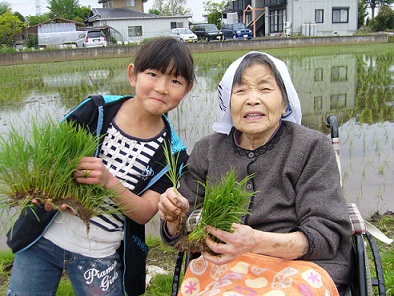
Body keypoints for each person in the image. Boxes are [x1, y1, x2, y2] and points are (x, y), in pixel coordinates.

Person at [6, 37, 194, 296]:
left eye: (175, 81)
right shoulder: (96, 110)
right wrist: (49, 192)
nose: (162, 88)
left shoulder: (173, 153)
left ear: (187, 89)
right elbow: (47, 161)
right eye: (152, 74)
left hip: (99, 253)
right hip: (44, 238)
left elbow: (143, 213)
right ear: (133, 75)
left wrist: (108, 180)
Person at [159, 52, 353, 295]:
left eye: (265, 88)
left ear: (285, 102)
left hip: (301, 266)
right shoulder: (208, 149)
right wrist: (173, 217)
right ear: (228, 103)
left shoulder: (311, 147)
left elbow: (326, 235)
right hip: (225, 267)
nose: (252, 99)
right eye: (240, 91)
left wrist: (256, 242)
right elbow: (182, 233)